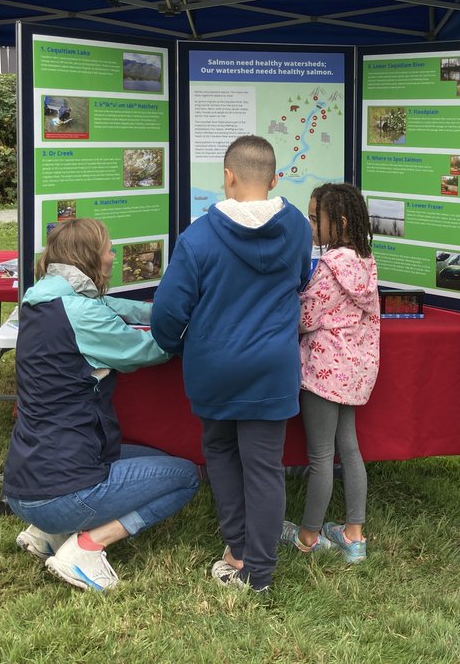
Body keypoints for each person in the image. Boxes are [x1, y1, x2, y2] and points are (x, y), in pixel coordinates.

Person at [2, 218, 200, 592]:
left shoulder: (42, 298)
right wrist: (200, 331)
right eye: (109, 248)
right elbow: (149, 349)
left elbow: (112, 306)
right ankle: (85, 547)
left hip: (25, 484)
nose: (113, 256)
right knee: (186, 476)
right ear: (89, 256)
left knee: (147, 455)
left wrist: (168, 309)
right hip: (61, 489)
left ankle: (47, 534)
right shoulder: (81, 314)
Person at [151, 135, 311, 593]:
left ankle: (238, 550)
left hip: (214, 367)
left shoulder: (197, 237)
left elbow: (167, 313)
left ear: (228, 177)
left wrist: (180, 347)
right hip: (272, 367)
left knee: (220, 453)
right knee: (265, 467)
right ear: (275, 179)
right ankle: (258, 574)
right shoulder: (298, 227)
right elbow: (302, 278)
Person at [281, 182, 379, 563]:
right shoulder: (366, 262)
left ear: (336, 222)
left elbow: (305, 318)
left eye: (312, 218)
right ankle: (354, 535)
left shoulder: (328, 268)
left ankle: (307, 536)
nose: (309, 225)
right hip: (354, 373)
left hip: (323, 373)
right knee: (349, 448)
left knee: (320, 456)